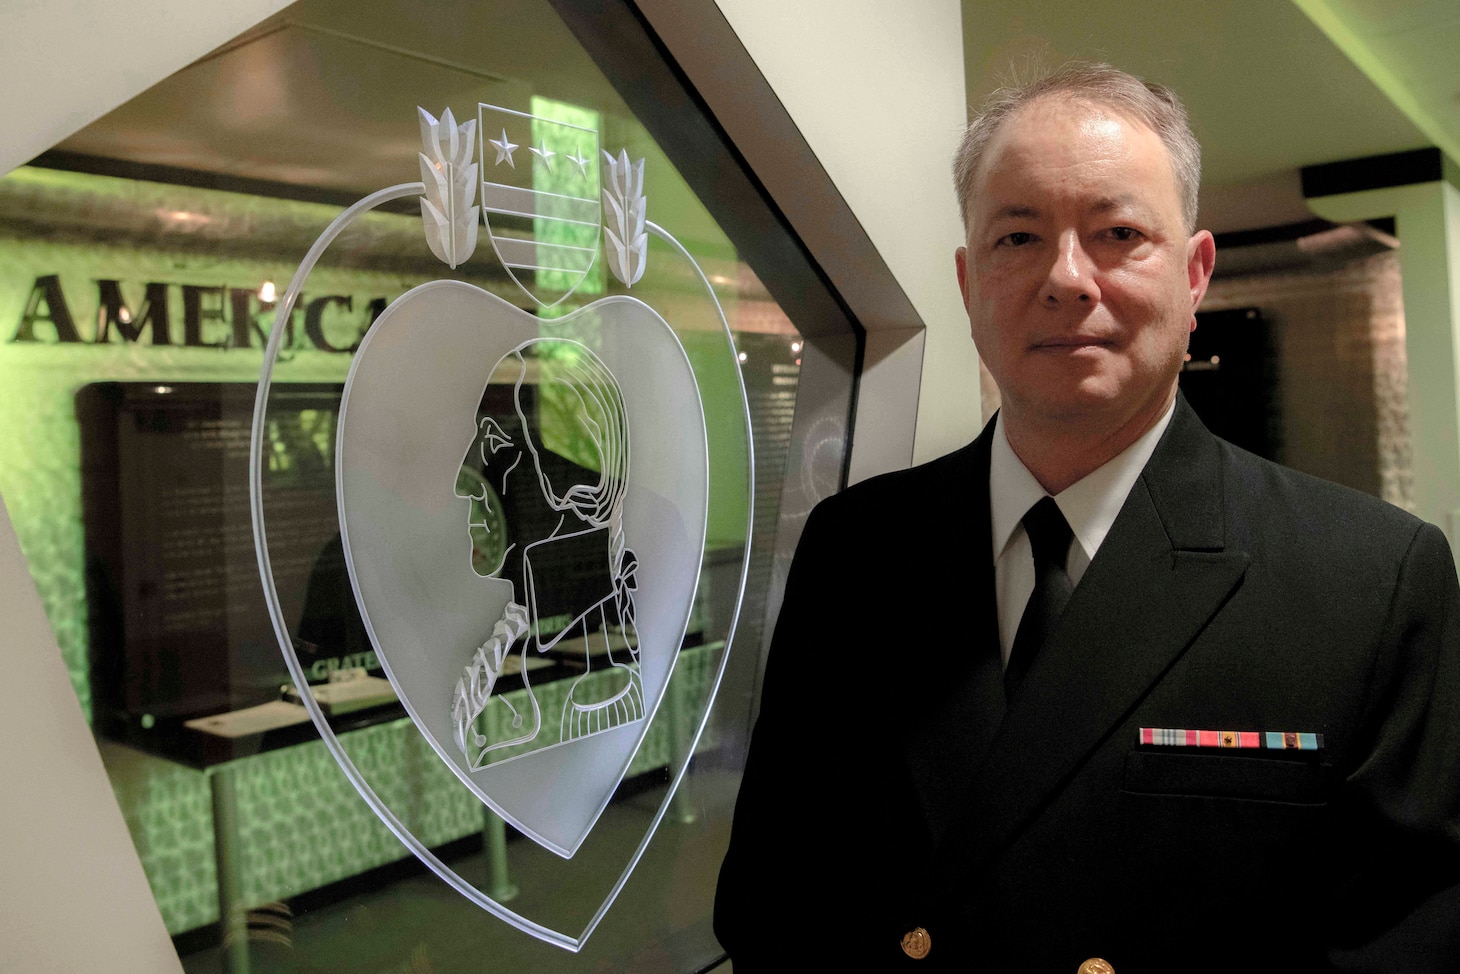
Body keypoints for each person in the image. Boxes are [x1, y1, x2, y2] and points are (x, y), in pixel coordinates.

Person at [714, 62, 1460, 971]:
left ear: (1195, 277)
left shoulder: (1371, 582)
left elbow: (1406, 947)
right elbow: (772, 905)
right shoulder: (858, 551)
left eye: (1118, 233)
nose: (1067, 279)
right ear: (968, 281)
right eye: (1018, 237)